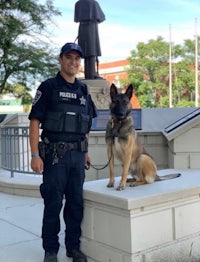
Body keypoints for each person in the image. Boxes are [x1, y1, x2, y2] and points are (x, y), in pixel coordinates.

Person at [28, 42, 97, 262]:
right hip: (54, 157)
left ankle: (73, 248)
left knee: (76, 203)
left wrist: (85, 152)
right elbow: (35, 122)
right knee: (53, 203)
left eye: (77, 59)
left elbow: (86, 125)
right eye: (69, 57)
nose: (73, 62)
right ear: (60, 59)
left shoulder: (84, 90)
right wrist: (34, 155)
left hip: (77, 158)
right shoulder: (48, 87)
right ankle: (50, 250)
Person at [74, 0, 105, 79]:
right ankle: (92, 74)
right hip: (92, 28)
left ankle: (89, 74)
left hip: (82, 29)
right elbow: (101, 17)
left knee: (86, 52)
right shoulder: (93, 3)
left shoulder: (78, 4)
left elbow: (76, 18)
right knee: (92, 51)